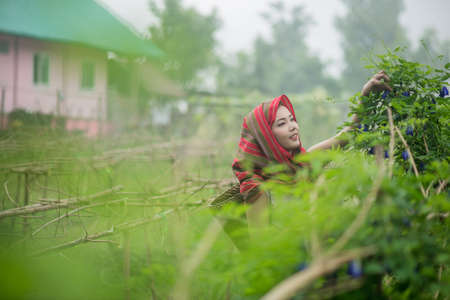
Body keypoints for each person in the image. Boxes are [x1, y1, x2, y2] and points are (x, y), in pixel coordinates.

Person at [232, 71, 392, 226]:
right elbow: (261, 247)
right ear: (265, 137)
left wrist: (366, 95)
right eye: (282, 124)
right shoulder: (257, 189)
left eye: (292, 120)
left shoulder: (304, 162)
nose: (293, 127)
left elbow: (350, 133)